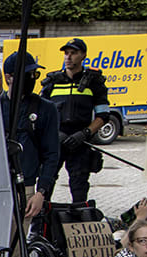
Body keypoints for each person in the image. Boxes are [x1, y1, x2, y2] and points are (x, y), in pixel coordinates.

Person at [39, 38, 108, 204]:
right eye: (66, 53)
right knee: (44, 188)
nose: (68, 57)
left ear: (83, 55)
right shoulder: (52, 83)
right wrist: (54, 134)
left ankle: (77, 224)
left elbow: (103, 115)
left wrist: (84, 134)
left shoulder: (94, 83)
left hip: (80, 144)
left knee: (79, 190)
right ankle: (39, 226)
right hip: (55, 143)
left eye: (73, 53)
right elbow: (40, 114)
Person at [1, 51, 59, 220]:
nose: (32, 78)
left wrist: (41, 192)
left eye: (35, 74)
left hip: (24, 187)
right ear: (8, 77)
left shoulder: (46, 109)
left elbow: (52, 154)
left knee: (17, 244)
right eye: (27, 74)